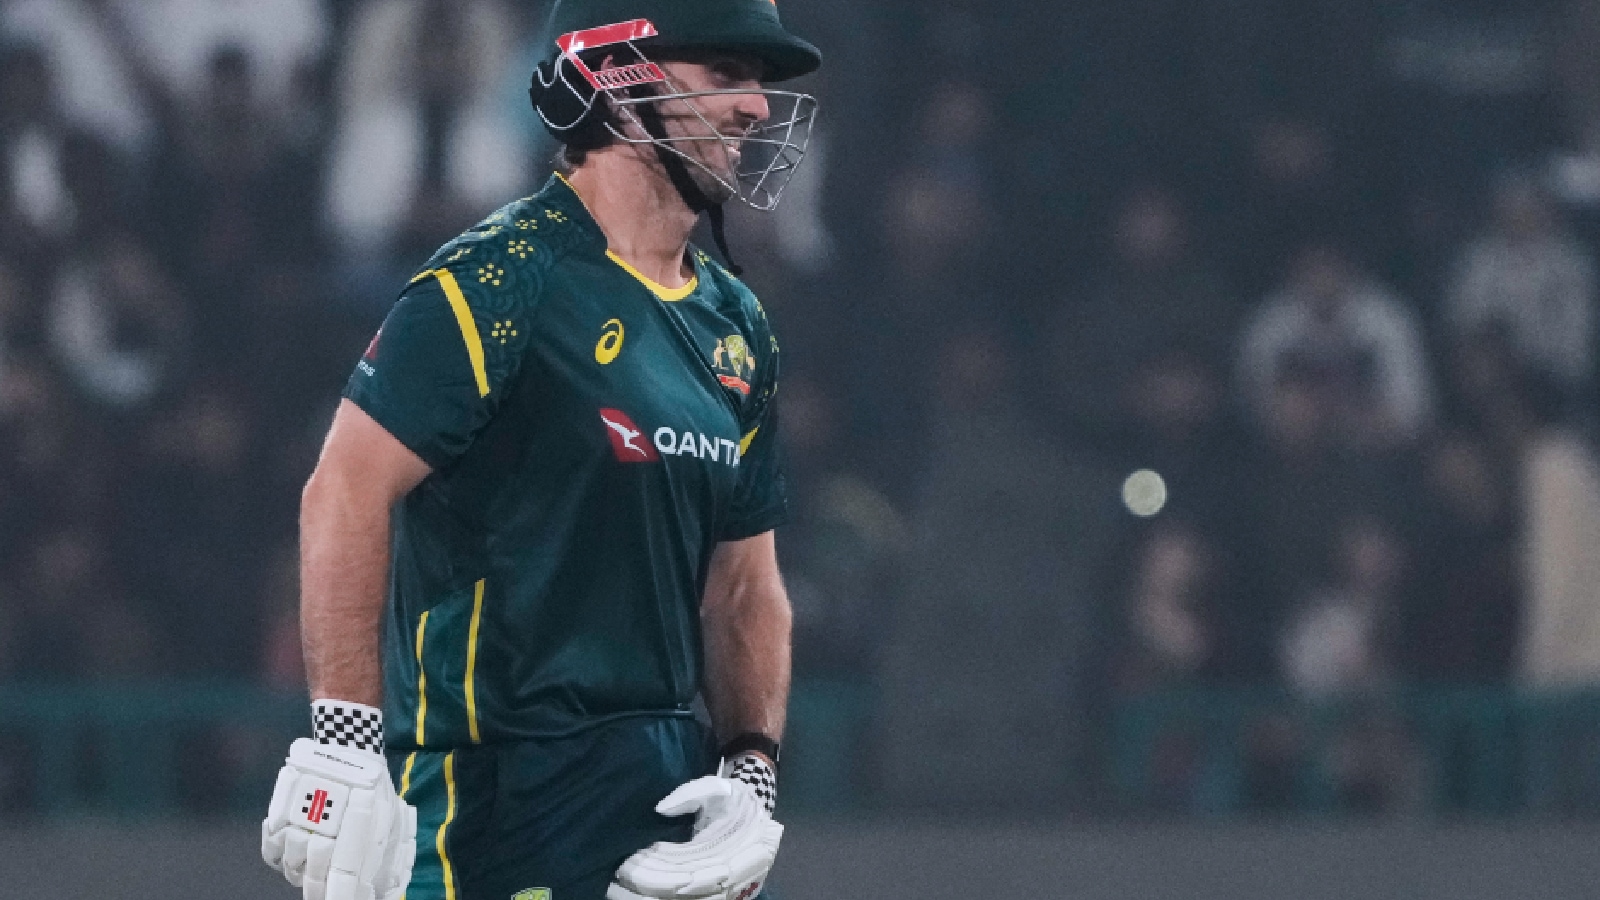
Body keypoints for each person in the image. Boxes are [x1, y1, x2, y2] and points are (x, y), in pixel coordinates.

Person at [260, 1, 820, 898]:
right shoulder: (499, 280)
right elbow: (344, 491)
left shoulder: (739, 326)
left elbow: (745, 584)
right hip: (494, 797)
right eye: (725, 75)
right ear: (620, 83)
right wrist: (347, 740)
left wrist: (751, 772)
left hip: (664, 804)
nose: (757, 108)